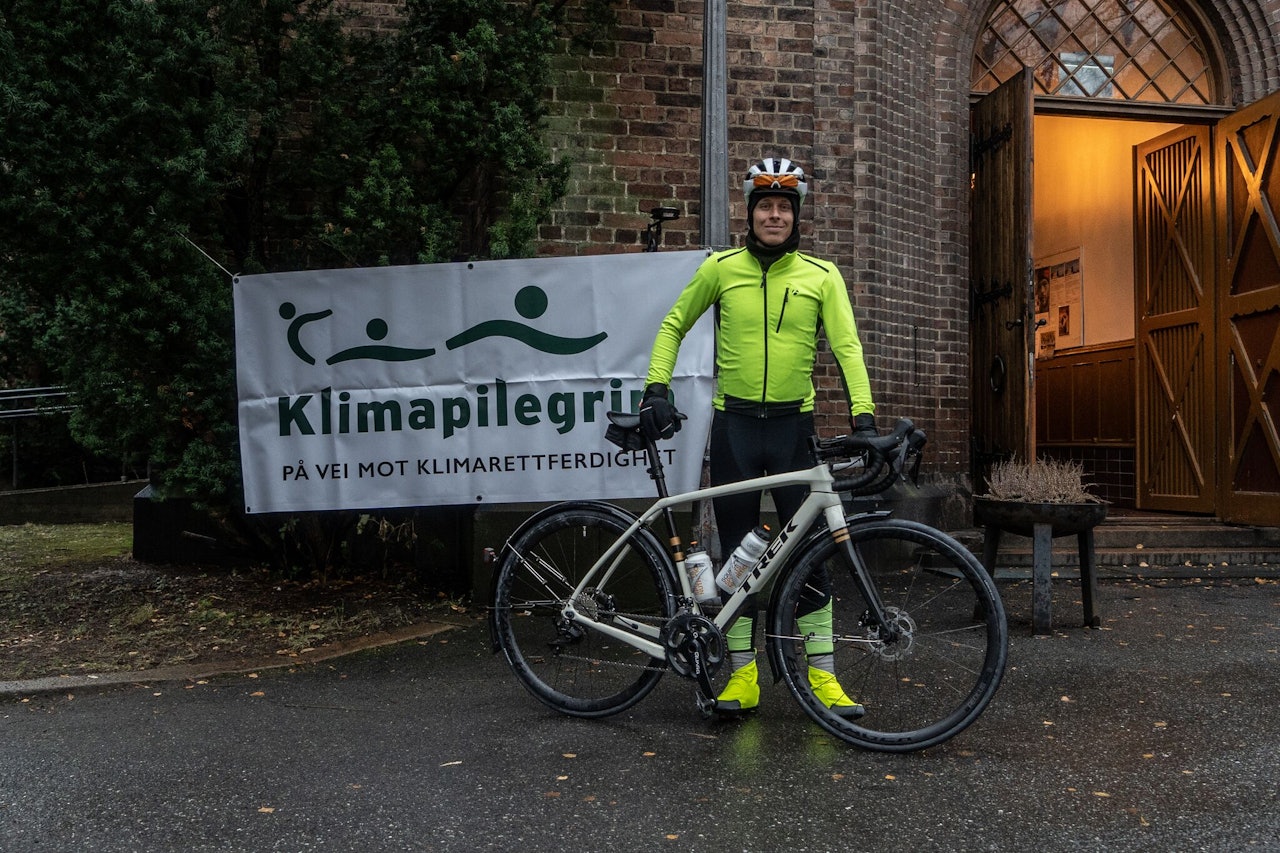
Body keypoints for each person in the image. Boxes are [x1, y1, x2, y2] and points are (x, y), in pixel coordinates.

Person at [640, 156, 876, 718]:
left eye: (783, 207)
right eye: (765, 206)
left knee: (811, 556)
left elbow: (847, 348)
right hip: (736, 429)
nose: (774, 215)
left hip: (795, 429)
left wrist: (863, 417)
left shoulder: (821, 276)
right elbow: (673, 324)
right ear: (750, 213)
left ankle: (823, 676)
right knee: (737, 557)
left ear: (796, 216)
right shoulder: (722, 269)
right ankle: (742, 677)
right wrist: (656, 387)